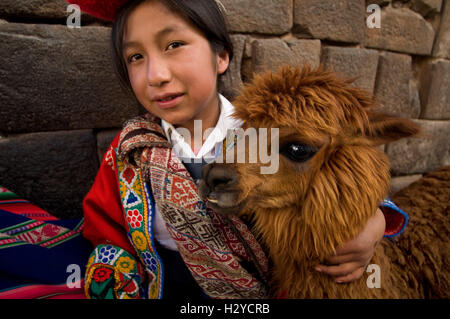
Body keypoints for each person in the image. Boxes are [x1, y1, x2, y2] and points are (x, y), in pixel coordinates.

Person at [67, 0, 409, 299]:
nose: (155, 74)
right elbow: (105, 230)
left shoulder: (263, 135)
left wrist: (375, 220)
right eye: (136, 56)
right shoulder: (130, 152)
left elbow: (334, 182)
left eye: (173, 44)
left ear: (221, 57)